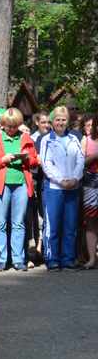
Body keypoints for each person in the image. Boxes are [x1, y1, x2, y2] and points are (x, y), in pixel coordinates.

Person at [0, 108, 40, 271]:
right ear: (2, 124)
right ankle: (0, 259)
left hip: (21, 184)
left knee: (18, 223)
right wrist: (3, 159)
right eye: (8, 126)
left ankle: (18, 259)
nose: (10, 129)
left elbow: (35, 161)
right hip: (0, 185)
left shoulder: (26, 138)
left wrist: (28, 158)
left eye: (14, 126)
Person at [39, 106, 84, 271]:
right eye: (57, 119)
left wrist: (75, 178)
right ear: (52, 121)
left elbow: (80, 160)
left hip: (72, 187)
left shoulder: (74, 139)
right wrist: (60, 180)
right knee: (53, 225)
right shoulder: (46, 140)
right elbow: (46, 163)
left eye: (63, 119)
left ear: (68, 121)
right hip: (54, 188)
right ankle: (52, 259)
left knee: (70, 225)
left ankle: (68, 259)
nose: (60, 122)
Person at [81, 114, 98, 270]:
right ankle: (92, 259)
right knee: (91, 221)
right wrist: (94, 156)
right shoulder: (86, 140)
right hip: (91, 183)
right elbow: (80, 163)